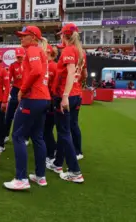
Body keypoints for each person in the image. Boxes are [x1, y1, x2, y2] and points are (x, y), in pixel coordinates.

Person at [3, 26, 51, 190]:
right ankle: (40, 176)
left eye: (24, 36)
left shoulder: (32, 50)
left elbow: (36, 71)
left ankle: (21, 178)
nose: (21, 38)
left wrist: (22, 89)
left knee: (17, 136)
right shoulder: (40, 52)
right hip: (44, 98)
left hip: (33, 98)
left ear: (33, 37)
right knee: (37, 137)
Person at [46, 22, 85, 183]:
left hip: (66, 94)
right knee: (65, 131)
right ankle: (57, 163)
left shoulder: (69, 50)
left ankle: (75, 171)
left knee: (64, 132)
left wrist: (65, 96)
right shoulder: (80, 51)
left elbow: (69, 73)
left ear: (64, 35)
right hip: (75, 93)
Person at [5, 47, 28, 145]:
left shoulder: (28, 65)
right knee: (9, 114)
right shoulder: (13, 66)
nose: (19, 58)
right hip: (15, 91)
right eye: (17, 57)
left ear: (24, 55)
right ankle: (5, 135)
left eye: (21, 57)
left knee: (25, 115)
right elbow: (8, 78)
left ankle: (25, 137)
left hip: (26, 91)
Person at [44, 44, 58, 162]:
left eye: (47, 53)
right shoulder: (45, 65)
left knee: (46, 129)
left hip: (51, 100)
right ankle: (52, 150)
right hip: (45, 100)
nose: (45, 55)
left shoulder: (54, 67)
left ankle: (51, 154)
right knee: (45, 129)